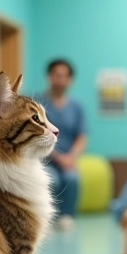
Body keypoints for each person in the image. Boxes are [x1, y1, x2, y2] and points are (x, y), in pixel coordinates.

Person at [35, 59, 87, 231]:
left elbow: (82, 136)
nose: (60, 79)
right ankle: (47, 218)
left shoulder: (77, 107)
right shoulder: (38, 103)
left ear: (70, 80)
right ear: (49, 77)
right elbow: (36, 133)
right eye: (56, 75)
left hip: (68, 159)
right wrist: (58, 157)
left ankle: (67, 216)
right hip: (45, 157)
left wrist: (71, 156)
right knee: (53, 180)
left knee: (72, 179)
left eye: (64, 76)